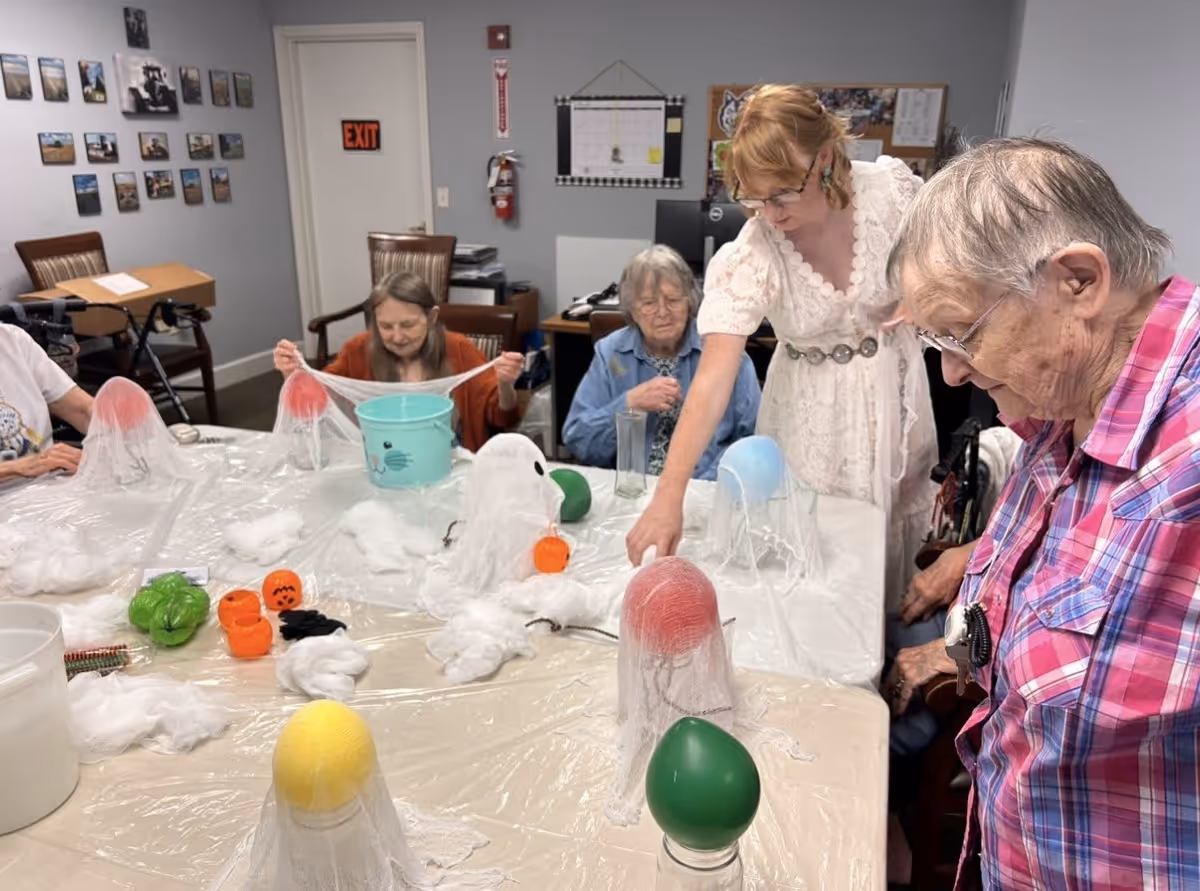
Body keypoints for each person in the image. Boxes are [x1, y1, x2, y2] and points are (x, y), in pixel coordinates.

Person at [885, 137, 1200, 889]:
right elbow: (1041, 606)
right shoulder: (1064, 408)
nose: (953, 369)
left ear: (1080, 281)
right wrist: (951, 654)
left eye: (962, 332)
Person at [626, 84, 938, 611]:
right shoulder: (755, 251)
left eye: (782, 194)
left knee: (896, 530)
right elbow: (712, 379)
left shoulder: (890, 192)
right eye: (753, 199)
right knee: (815, 561)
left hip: (893, 396)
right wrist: (668, 495)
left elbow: (948, 251)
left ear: (825, 159)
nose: (769, 213)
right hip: (811, 417)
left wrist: (927, 293)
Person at [563, 245, 760, 480]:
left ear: (690, 302)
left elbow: (753, 442)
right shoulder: (611, 353)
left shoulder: (725, 354)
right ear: (632, 311)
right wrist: (628, 404)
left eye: (673, 300)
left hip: (705, 490)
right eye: (648, 303)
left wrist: (701, 487)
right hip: (631, 491)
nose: (663, 312)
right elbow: (578, 439)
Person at [274, 271, 524, 452]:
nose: (397, 336)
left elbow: (503, 418)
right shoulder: (358, 351)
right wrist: (294, 374)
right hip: (379, 465)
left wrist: (505, 384)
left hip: (451, 467)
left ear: (432, 317)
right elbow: (318, 408)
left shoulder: (459, 350)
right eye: (385, 326)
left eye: (408, 324)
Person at [0, 322, 93, 484]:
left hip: (48, 489)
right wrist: (15, 468)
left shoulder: (12, 340)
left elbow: (82, 409)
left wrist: (116, 424)